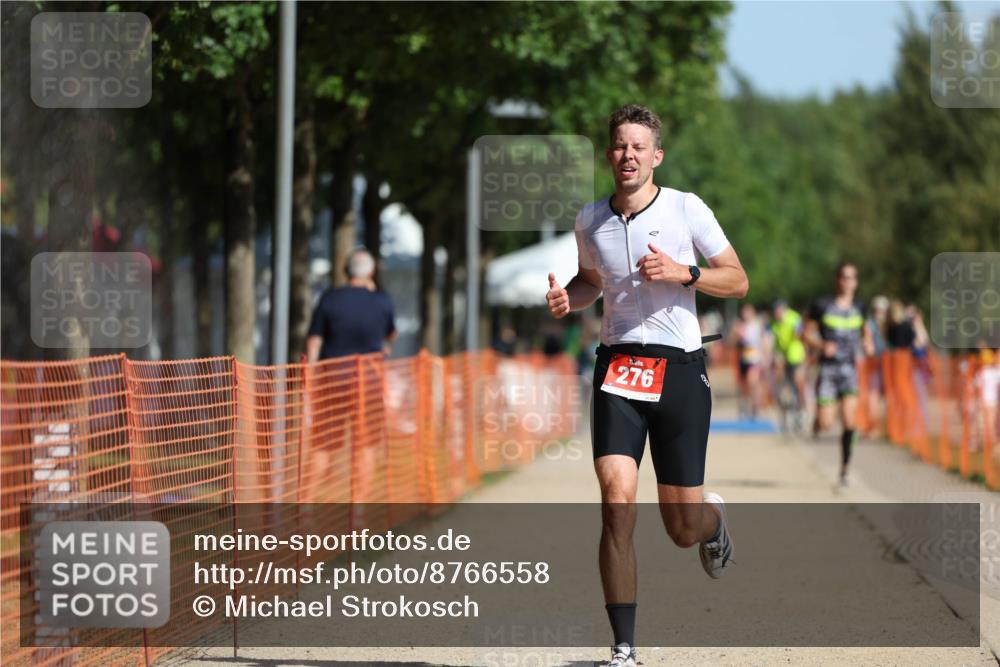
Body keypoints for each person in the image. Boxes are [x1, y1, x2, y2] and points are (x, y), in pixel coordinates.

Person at [545, 104, 748, 667]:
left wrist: (687, 273)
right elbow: (591, 281)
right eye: (619, 145)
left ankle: (714, 521)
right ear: (609, 154)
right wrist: (570, 297)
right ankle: (625, 648)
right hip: (617, 369)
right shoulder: (590, 220)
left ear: (655, 156)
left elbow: (738, 278)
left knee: (682, 529)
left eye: (638, 146)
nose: (627, 155)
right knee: (616, 503)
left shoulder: (686, 209)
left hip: (679, 369)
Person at [305, 248, 397, 508]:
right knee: (365, 445)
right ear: (371, 272)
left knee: (322, 445)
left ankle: (307, 505)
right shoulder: (381, 301)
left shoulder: (330, 299)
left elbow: (314, 341)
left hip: (332, 380)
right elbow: (391, 334)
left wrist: (310, 378)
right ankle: (358, 508)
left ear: (346, 271)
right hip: (368, 381)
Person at [805, 261, 874, 487]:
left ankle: (844, 470)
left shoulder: (860, 307)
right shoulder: (822, 305)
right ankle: (817, 419)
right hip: (827, 369)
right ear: (837, 280)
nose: (847, 282)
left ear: (856, 282)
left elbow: (866, 332)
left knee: (849, 421)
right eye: (844, 277)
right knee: (826, 424)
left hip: (849, 370)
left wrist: (868, 343)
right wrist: (821, 345)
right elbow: (804, 334)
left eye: (852, 277)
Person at [771, 299, 807, 430]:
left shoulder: (794, 318)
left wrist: (797, 332)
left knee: (799, 383)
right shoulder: (776, 325)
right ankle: (785, 411)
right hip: (784, 358)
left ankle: (802, 411)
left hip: (796, 356)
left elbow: (799, 332)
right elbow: (776, 345)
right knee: (783, 384)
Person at [731, 303, 765, 419]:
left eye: (748, 312)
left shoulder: (757, 325)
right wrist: (736, 333)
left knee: (752, 382)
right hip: (743, 359)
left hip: (755, 359)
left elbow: (763, 341)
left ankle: (755, 407)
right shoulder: (740, 326)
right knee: (743, 386)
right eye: (744, 313)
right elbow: (733, 342)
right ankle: (744, 407)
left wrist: (765, 357)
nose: (745, 315)